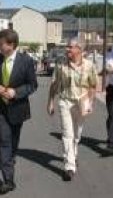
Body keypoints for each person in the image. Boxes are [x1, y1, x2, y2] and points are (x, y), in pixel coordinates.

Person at [0, 29, 38, 195]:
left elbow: (32, 85)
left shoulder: (26, 61)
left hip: (17, 108)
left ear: (11, 44)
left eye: (1, 43)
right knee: (4, 140)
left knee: (13, 141)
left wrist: (16, 92)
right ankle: (8, 180)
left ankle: (10, 158)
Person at [47, 39, 98, 181]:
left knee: (77, 135)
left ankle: (74, 154)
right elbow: (54, 84)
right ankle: (69, 166)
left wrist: (91, 102)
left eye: (70, 47)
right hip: (65, 101)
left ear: (79, 49)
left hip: (81, 103)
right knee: (67, 134)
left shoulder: (89, 66)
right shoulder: (61, 65)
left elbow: (93, 85)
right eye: (67, 47)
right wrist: (50, 101)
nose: (67, 49)